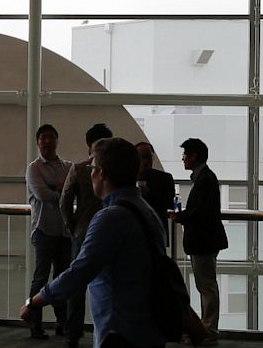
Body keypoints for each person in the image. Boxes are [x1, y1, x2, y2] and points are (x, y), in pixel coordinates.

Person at [20, 137, 167, 348]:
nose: (90, 173)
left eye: (93, 167)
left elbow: (79, 271)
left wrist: (35, 301)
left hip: (119, 330)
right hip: (147, 326)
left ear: (102, 173)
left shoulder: (110, 218)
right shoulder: (146, 211)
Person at [59, 123, 113, 347]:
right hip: (109, 230)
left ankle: (73, 333)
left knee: (76, 283)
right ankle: (109, 331)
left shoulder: (79, 169)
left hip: (82, 231)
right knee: (109, 282)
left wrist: (72, 227)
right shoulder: (113, 170)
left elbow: (64, 201)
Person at [173, 138, 227, 345]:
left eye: (185, 154)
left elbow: (201, 212)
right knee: (207, 287)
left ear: (194, 155)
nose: (183, 158)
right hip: (205, 240)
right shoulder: (205, 178)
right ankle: (207, 329)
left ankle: (208, 330)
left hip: (204, 241)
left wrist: (181, 217)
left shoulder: (205, 180)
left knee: (207, 288)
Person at [26, 123, 72, 340]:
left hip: (64, 231)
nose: (47, 141)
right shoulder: (34, 168)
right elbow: (43, 195)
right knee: (40, 277)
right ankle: (35, 324)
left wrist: (56, 189)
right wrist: (60, 190)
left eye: (50, 137)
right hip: (43, 229)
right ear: (37, 143)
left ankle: (62, 322)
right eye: (43, 138)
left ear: (56, 140)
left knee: (62, 277)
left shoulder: (67, 166)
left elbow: (72, 192)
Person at [135, 142, 175, 231]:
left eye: (147, 157)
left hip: (157, 229)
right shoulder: (127, 178)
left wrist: (149, 193)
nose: (145, 161)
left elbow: (170, 203)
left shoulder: (165, 178)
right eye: (141, 157)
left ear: (153, 158)